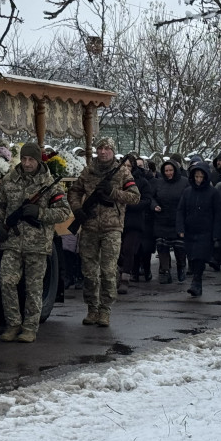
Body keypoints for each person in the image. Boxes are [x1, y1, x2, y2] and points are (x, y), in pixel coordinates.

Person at [0, 142, 72, 342]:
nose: (27, 163)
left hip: (37, 244)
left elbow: (64, 212)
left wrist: (40, 213)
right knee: (6, 282)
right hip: (12, 241)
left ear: (37, 161)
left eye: (31, 160)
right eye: (24, 159)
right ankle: (13, 324)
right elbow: (0, 205)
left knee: (33, 288)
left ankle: (29, 328)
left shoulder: (49, 184)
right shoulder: (10, 179)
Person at [67, 136, 140, 327]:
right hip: (90, 226)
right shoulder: (88, 171)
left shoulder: (122, 172)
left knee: (108, 271)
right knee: (89, 272)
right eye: (100, 148)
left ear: (112, 151)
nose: (103, 152)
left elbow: (135, 197)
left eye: (107, 148)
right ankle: (92, 309)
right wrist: (78, 210)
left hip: (112, 228)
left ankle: (105, 310)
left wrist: (113, 193)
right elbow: (74, 191)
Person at [175, 160, 221, 296]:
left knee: (200, 257)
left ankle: (196, 282)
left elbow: (218, 214)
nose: (199, 180)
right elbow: (180, 211)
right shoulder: (187, 192)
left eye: (201, 177)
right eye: (196, 177)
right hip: (190, 230)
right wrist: (180, 228)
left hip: (205, 231)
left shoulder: (213, 193)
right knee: (192, 256)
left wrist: (216, 233)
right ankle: (197, 282)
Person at [150, 154, 189, 283]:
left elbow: (189, 198)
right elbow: (151, 197)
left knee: (179, 246)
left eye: (171, 170)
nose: (168, 173)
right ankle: (165, 272)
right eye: (166, 171)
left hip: (178, 219)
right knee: (162, 246)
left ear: (175, 170)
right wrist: (154, 205)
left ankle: (181, 266)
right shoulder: (159, 183)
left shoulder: (184, 182)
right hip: (162, 219)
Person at [118, 153, 153, 293]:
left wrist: (130, 205)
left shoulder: (141, 181)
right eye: (124, 165)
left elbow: (147, 200)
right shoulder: (116, 179)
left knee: (128, 249)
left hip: (134, 221)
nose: (126, 168)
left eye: (129, 166)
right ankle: (118, 273)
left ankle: (125, 278)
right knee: (118, 250)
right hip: (117, 220)